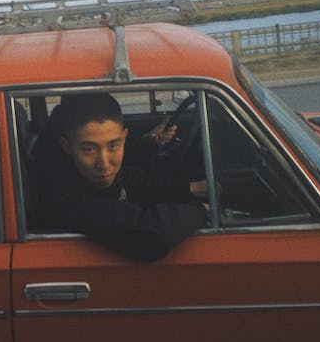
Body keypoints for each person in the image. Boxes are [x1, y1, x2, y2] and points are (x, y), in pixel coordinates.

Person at [34, 93, 208, 261]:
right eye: (89, 149)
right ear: (66, 147)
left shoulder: (80, 171)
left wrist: (191, 188)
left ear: (124, 138)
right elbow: (151, 236)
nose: (104, 163)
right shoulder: (63, 196)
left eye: (113, 145)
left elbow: (129, 179)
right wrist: (203, 211)